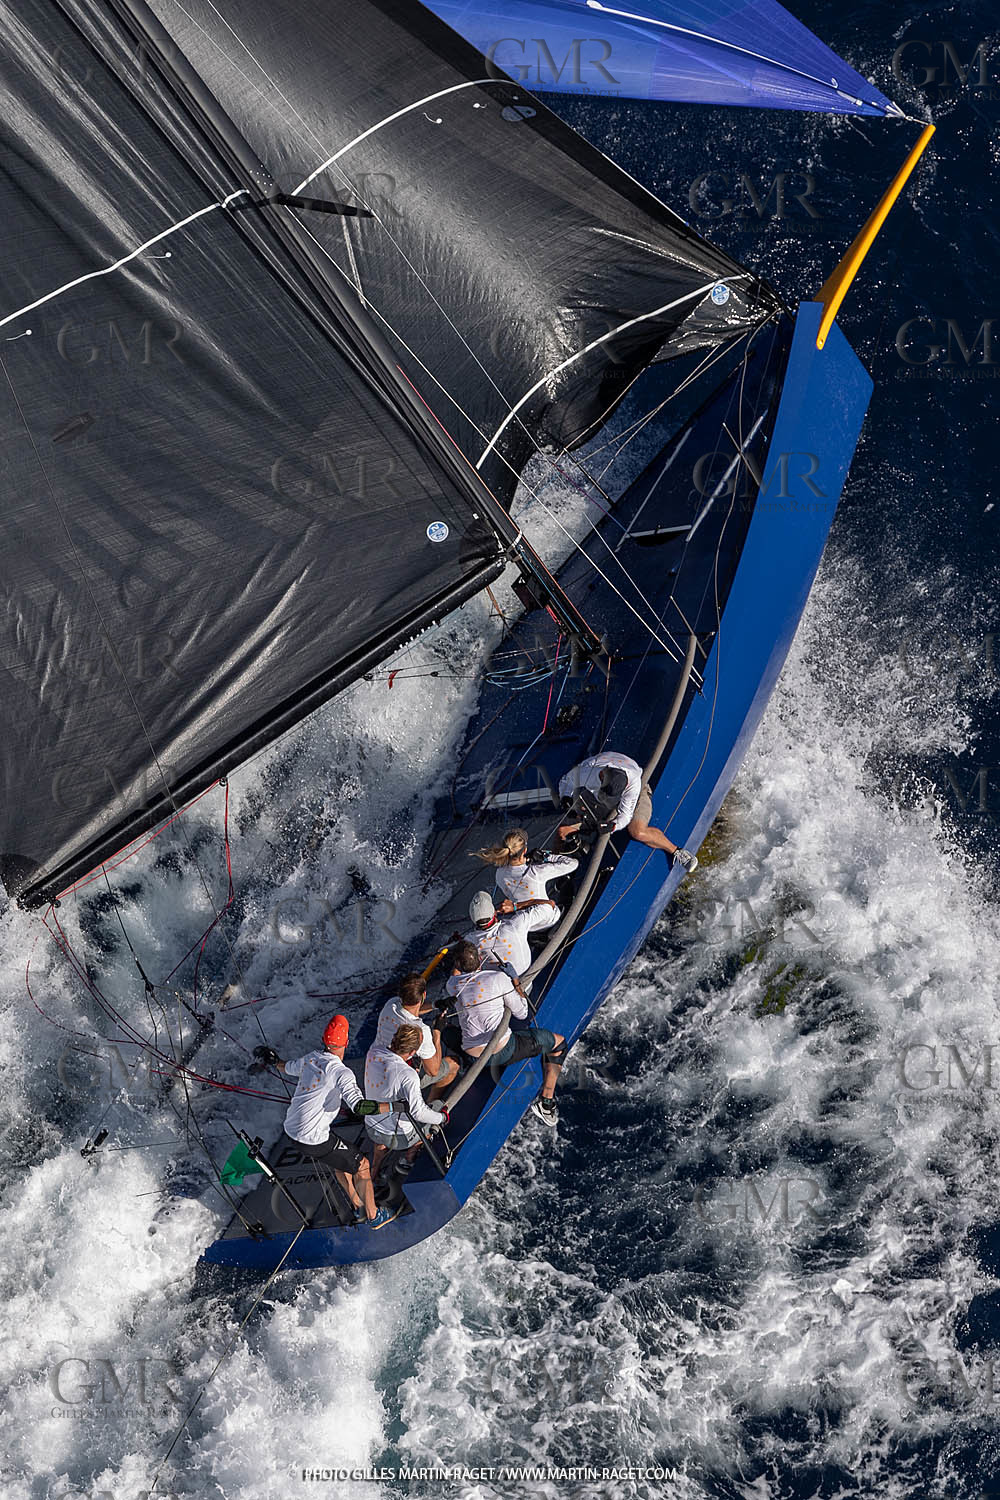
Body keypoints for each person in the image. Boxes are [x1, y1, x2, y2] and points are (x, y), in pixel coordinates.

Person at [259, 1014, 396, 1229]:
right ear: (346, 1043)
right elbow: (359, 1107)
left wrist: (273, 1060)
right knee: (362, 1165)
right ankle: (374, 1215)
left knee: (338, 1161)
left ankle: (357, 1205)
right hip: (313, 1138)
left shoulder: (310, 1059)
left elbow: (287, 1067)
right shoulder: (341, 1072)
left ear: (324, 1041)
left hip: (292, 1133)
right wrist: (395, 1106)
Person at [445, 941, 566, 1126]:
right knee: (559, 1043)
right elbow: (522, 1012)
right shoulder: (497, 979)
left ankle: (461, 1062)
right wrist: (515, 980)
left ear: (458, 966)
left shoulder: (451, 986)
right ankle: (546, 1102)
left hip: (474, 1058)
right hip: (503, 1052)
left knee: (447, 1032)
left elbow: (456, 976)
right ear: (480, 959)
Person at [557, 750, 698, 870]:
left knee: (638, 831)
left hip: (637, 794)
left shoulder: (634, 784)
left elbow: (625, 816)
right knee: (563, 831)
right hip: (596, 792)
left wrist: (612, 826)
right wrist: (565, 798)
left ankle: (676, 851)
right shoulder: (589, 772)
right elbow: (566, 781)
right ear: (602, 776)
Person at [364, 1023, 450, 1178]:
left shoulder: (373, 1052)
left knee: (382, 1134)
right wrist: (442, 1117)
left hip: (371, 1128)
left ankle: (374, 1172)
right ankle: (408, 1158)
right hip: (399, 1138)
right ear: (412, 1052)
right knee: (438, 1106)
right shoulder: (408, 1075)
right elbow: (418, 1112)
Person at [373, 973, 459, 1099]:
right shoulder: (421, 1031)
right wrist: (437, 1032)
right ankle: (431, 1104)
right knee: (453, 1064)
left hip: (375, 1066)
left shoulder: (391, 1005)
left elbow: (410, 1008)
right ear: (424, 995)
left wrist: (436, 1004)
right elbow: (433, 1071)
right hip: (398, 1081)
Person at [474, 828, 578, 930]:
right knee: (568, 883)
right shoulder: (537, 871)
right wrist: (545, 856)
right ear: (525, 850)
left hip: (528, 925)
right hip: (550, 918)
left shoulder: (499, 874)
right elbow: (573, 864)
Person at [463, 890, 551, 977]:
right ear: (494, 912)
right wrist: (515, 906)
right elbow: (549, 905)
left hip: (504, 983)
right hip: (527, 970)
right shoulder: (515, 925)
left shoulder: (469, 941)